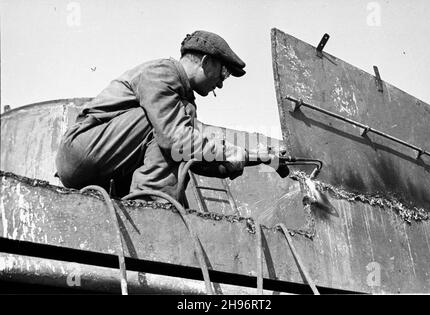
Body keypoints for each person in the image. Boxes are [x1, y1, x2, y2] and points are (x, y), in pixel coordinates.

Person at [55, 30, 286, 204]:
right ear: (206, 62)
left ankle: (155, 201)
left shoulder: (181, 98)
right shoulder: (162, 73)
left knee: (181, 133)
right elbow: (175, 140)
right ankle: (155, 204)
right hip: (80, 153)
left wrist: (253, 157)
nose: (221, 84)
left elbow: (186, 154)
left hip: (103, 164)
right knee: (173, 131)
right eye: (223, 73)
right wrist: (227, 151)